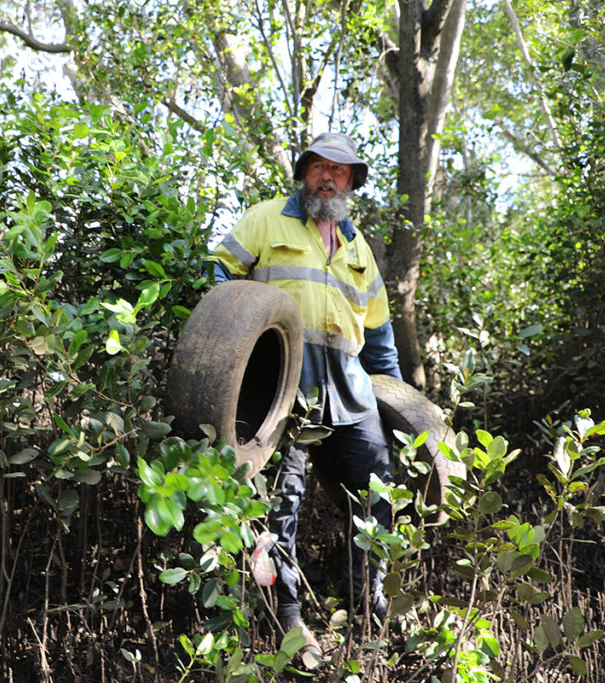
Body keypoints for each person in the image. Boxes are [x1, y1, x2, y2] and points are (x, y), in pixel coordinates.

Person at [205, 132, 402, 661]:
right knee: (279, 506)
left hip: (349, 390)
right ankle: (291, 621)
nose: (328, 177)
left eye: (339, 171)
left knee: (376, 496)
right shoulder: (266, 219)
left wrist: (398, 408)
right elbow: (220, 276)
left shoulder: (359, 248)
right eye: (318, 167)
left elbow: (380, 340)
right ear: (304, 173)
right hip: (281, 387)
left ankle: (367, 609)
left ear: (352, 182)